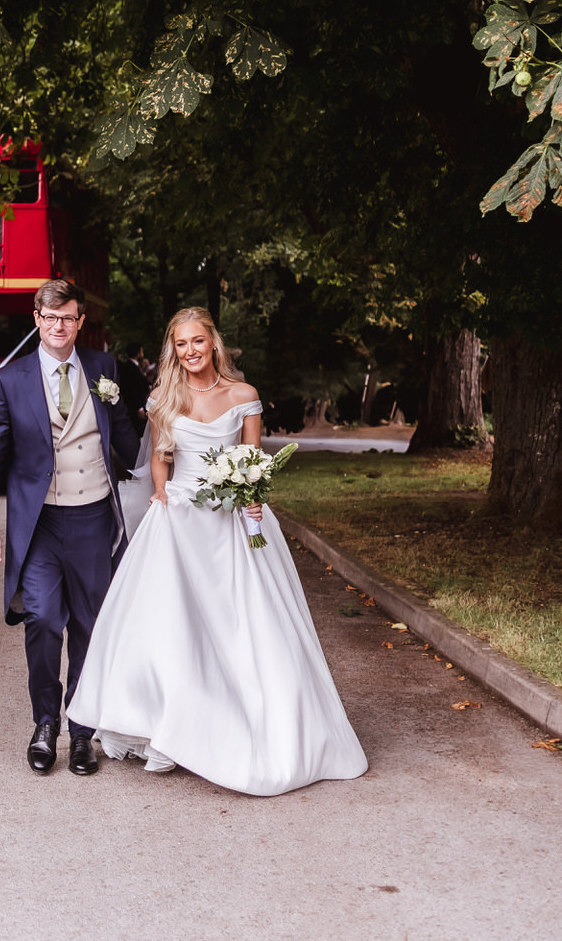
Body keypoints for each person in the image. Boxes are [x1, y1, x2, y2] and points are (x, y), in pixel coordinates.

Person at [68, 305, 369, 795]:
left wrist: (253, 500)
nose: (189, 352)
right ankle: (169, 728)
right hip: (181, 518)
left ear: (213, 344)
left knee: (248, 626)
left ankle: (259, 720)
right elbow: (162, 459)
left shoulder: (244, 396)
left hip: (233, 521)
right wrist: (162, 494)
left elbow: (251, 462)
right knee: (172, 626)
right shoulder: (165, 397)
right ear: (175, 350)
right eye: (180, 344)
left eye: (197, 342)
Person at [0, 279, 142, 776]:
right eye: (49, 318)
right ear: (36, 319)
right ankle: (45, 723)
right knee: (44, 619)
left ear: (80, 321)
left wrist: (164, 480)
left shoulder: (104, 369)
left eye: (67, 318)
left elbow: (127, 438)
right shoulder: (10, 380)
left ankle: (83, 731)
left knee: (91, 627)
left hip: (93, 517)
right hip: (40, 523)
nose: (58, 327)